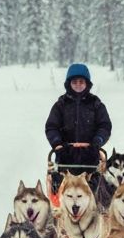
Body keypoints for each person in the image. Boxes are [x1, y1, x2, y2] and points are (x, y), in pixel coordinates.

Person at [45, 63, 112, 194]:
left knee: (94, 191)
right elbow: (52, 126)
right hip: (65, 154)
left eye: (81, 81)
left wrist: (98, 140)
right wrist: (57, 143)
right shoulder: (61, 105)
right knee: (63, 190)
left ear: (87, 83)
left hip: (90, 153)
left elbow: (105, 125)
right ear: (69, 83)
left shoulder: (96, 104)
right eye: (74, 82)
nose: (78, 85)